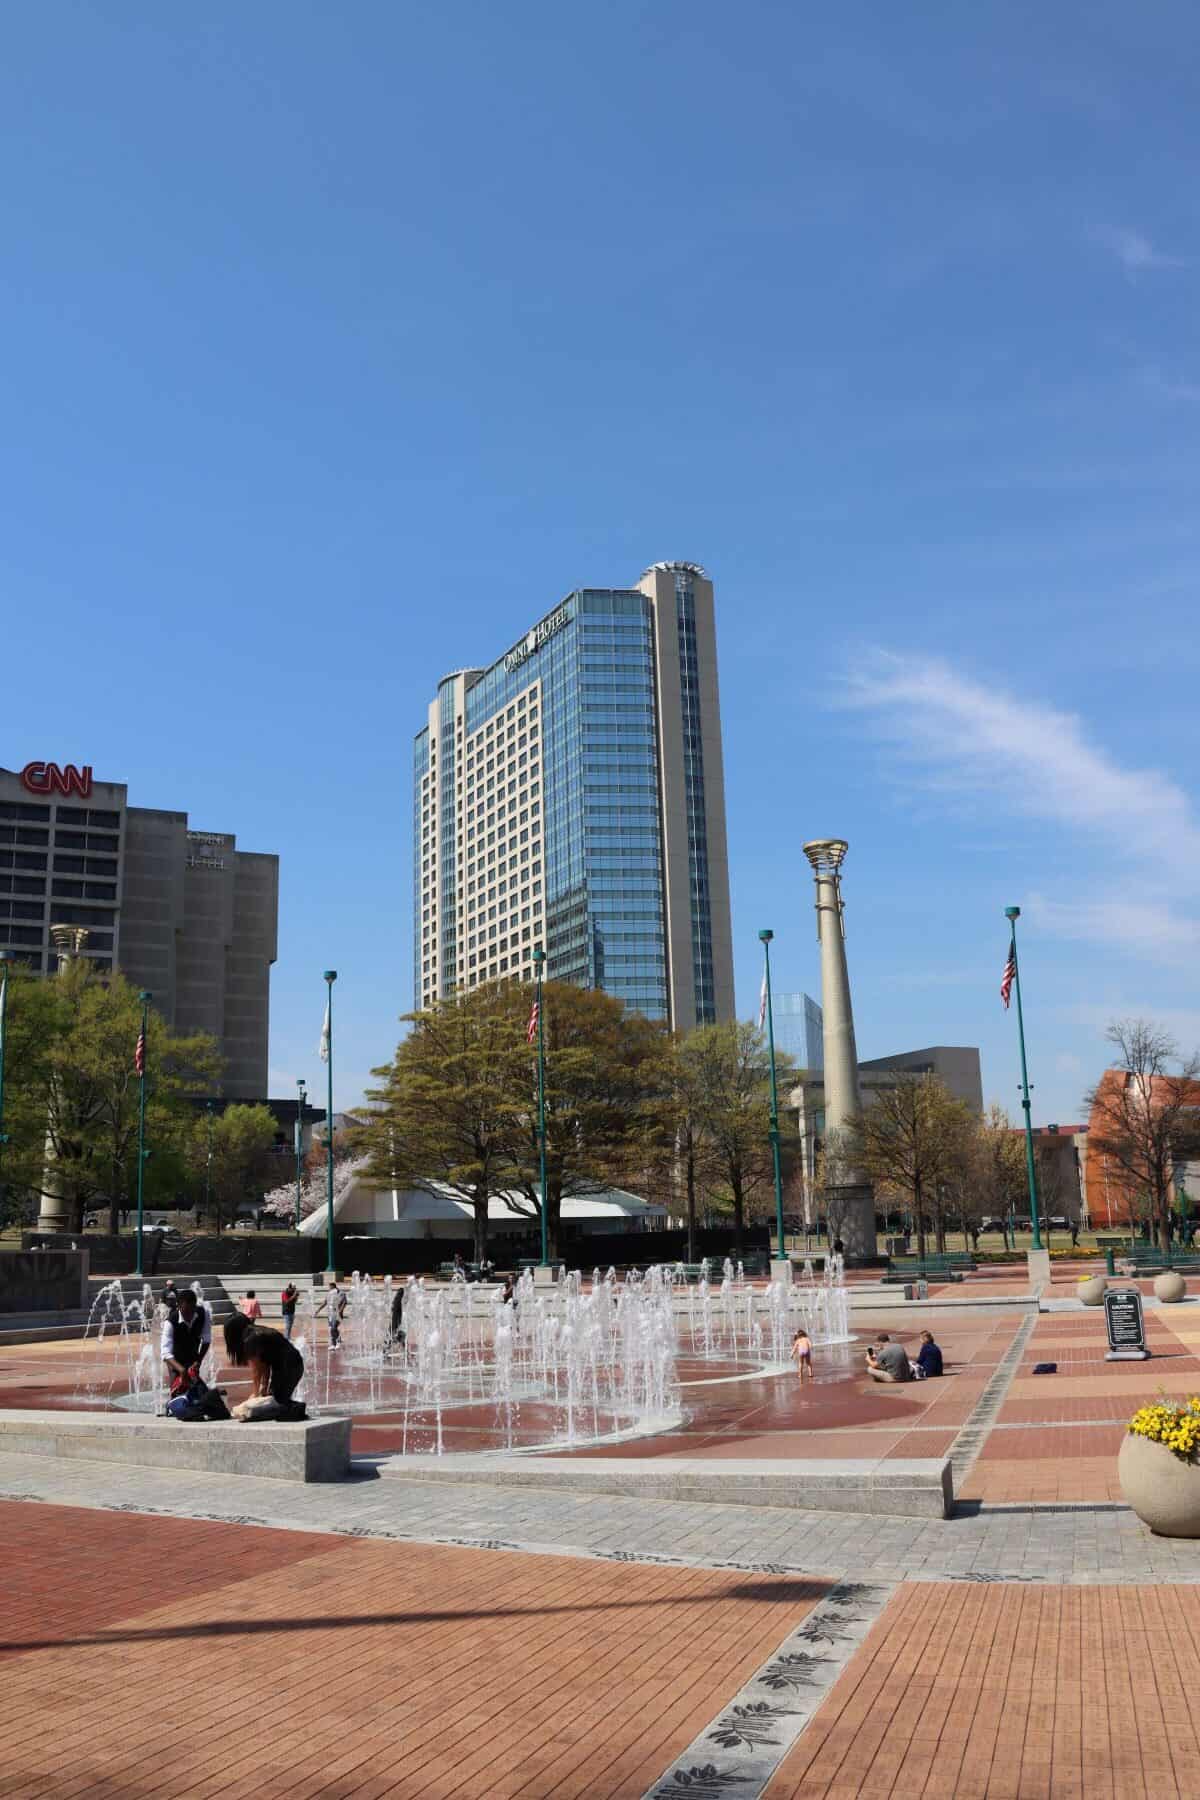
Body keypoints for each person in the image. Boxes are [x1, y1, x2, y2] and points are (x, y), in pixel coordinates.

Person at [223, 1313, 305, 1411]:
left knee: (278, 1401)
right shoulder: (257, 1332)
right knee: (275, 1400)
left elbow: (256, 1371)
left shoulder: (250, 1339)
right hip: (291, 1364)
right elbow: (265, 1365)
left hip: (288, 1366)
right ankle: (294, 1409)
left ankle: (297, 1410)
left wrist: (256, 1394)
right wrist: (264, 1388)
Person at [161, 1288, 212, 1395]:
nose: (189, 1315)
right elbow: (165, 1352)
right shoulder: (170, 1322)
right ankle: (171, 1408)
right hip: (175, 1360)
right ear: (179, 1307)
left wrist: (198, 1360)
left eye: (192, 1310)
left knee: (198, 1393)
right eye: (185, 1312)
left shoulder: (203, 1314)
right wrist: (182, 1370)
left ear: (195, 1306)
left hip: (193, 1356)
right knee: (176, 1392)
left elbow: (206, 1339)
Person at [322, 1279, 346, 1348]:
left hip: (337, 1314)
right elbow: (325, 1302)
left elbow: (344, 1303)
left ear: (333, 1287)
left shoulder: (341, 1293)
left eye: (330, 1287)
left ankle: (338, 1341)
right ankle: (333, 1344)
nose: (329, 1289)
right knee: (331, 1329)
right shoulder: (329, 1293)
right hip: (330, 1314)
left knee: (333, 1328)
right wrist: (318, 1310)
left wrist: (340, 1311)